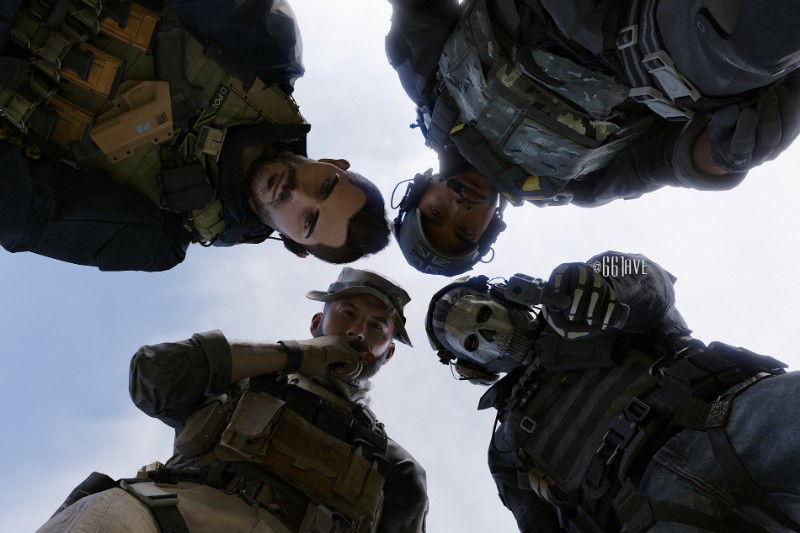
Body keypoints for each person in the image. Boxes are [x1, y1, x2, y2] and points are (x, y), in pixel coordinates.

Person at [386, 0, 800, 275]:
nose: (460, 208)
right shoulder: (574, 185)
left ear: (420, 192)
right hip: (660, 42)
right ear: (489, 229)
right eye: (465, 231)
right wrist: (731, 154)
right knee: (749, 39)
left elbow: (417, 8)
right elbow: (666, 161)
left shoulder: (430, 86)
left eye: (437, 214)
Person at [0, 0, 390, 272]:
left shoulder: (159, 235)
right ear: (332, 163)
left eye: (308, 221)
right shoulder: (267, 51)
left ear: (295, 246)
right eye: (325, 185)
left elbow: (23, 215)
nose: (296, 194)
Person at [425, 252, 800, 532]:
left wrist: (602, 288)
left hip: (732, 415)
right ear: (472, 367)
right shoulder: (505, 448)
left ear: (504, 298)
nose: (488, 336)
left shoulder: (577, 298)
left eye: (483, 315)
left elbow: (644, 275)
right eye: (471, 343)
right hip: (645, 513)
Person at [37, 267, 428, 532]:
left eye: (377, 326)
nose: (358, 332)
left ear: (387, 353)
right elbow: (152, 374)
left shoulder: (394, 466)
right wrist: (297, 354)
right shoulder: (242, 378)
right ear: (317, 323)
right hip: (173, 512)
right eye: (347, 313)